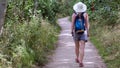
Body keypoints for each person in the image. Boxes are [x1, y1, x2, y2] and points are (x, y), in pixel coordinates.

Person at [71, 2, 90, 67]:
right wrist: (88, 32)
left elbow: (72, 24)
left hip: (76, 32)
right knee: (82, 48)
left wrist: (71, 31)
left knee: (77, 46)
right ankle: (81, 61)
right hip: (83, 32)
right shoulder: (85, 15)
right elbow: (87, 24)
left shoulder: (74, 15)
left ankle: (77, 58)